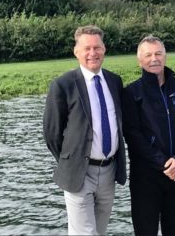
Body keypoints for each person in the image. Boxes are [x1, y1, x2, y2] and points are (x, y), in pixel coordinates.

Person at [43, 25, 127, 235]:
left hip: (109, 171)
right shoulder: (63, 85)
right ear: (76, 51)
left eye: (97, 47)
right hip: (79, 172)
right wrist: (72, 159)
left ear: (104, 49)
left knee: (99, 230)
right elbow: (52, 133)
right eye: (87, 48)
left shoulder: (114, 81)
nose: (93, 53)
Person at [122, 35, 175, 236]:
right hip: (145, 176)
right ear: (140, 60)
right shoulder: (132, 93)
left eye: (158, 53)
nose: (154, 59)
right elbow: (132, 135)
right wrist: (163, 163)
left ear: (165, 56)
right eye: (148, 55)